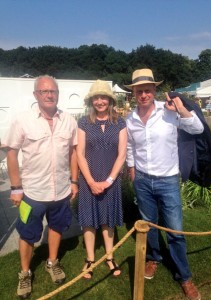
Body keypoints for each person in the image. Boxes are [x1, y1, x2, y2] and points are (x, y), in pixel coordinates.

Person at [125, 69, 203, 300]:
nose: (144, 94)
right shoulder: (130, 119)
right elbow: (130, 147)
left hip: (168, 180)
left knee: (175, 230)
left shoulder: (168, 111)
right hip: (142, 179)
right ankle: (153, 258)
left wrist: (180, 109)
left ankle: (185, 277)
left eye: (147, 90)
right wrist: (132, 170)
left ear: (154, 90)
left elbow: (197, 129)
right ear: (134, 93)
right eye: (139, 91)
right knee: (149, 226)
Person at [3, 75, 78, 299]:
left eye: (52, 91)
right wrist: (16, 187)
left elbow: (73, 152)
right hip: (32, 193)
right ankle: (25, 273)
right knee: (27, 233)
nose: (49, 95)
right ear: (36, 95)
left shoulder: (69, 120)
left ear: (58, 94)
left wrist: (74, 181)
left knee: (56, 227)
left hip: (62, 190)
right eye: (44, 91)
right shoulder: (22, 120)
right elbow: (11, 153)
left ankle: (52, 262)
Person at [76, 80, 127, 279]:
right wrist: (90, 181)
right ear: (91, 101)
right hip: (89, 179)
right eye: (96, 98)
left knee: (109, 220)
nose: (100, 101)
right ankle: (89, 259)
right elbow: (79, 153)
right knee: (88, 221)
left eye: (103, 97)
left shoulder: (120, 122)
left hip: (111, 180)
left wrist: (109, 180)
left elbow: (122, 154)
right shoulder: (83, 122)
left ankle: (109, 256)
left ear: (110, 100)